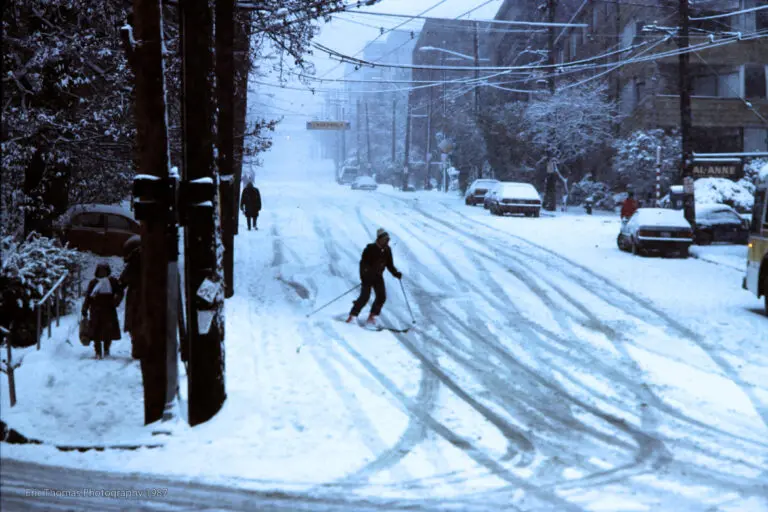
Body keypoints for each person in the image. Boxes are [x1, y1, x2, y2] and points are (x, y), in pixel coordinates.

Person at [347, 228, 403, 327]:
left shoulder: (387, 250)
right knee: (365, 297)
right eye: (386, 239)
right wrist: (364, 277)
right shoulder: (369, 249)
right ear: (379, 239)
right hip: (367, 277)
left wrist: (395, 273)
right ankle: (352, 316)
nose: (387, 241)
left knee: (381, 297)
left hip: (378, 277)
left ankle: (372, 317)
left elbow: (389, 264)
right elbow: (363, 265)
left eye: (388, 239)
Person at [82, 263, 123, 359]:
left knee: (108, 329)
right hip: (96, 309)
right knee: (96, 330)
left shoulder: (112, 281)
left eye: (104, 270)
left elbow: (119, 292)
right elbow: (88, 297)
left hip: (109, 308)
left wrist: (116, 301)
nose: (102, 273)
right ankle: (98, 351)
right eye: (100, 271)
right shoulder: (93, 282)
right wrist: (85, 308)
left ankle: (106, 348)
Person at [119, 235, 143, 359]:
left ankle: (137, 348)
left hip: (135, 296)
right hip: (145, 295)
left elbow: (123, 281)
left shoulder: (132, 264)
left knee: (135, 323)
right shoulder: (150, 260)